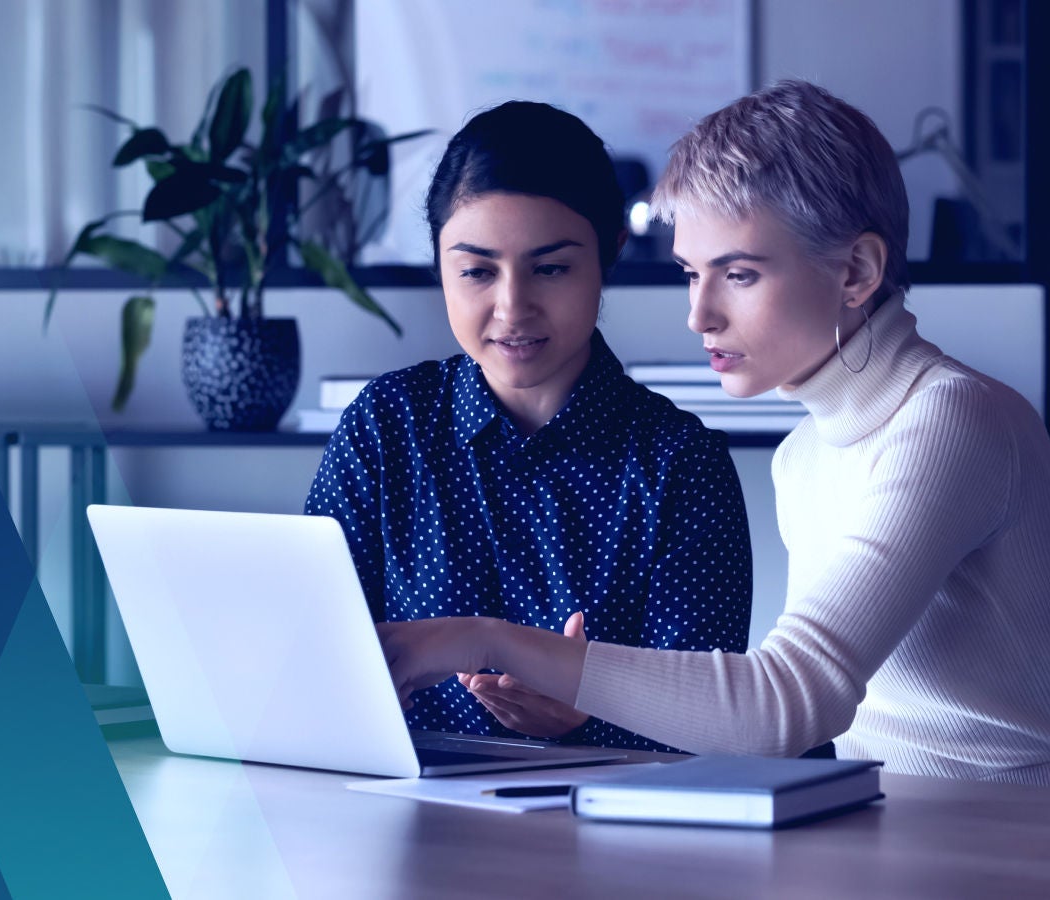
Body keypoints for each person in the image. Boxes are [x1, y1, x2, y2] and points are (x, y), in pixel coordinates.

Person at [376, 81, 1050, 791]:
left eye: (739, 274)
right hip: (902, 834)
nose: (700, 314)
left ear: (856, 272)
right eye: (691, 273)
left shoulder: (954, 420)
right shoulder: (805, 457)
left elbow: (785, 706)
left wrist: (485, 640)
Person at [305, 101, 754, 752]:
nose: (512, 307)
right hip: (402, 821)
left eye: (550, 268)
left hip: (613, 836)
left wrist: (587, 720)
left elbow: (712, 725)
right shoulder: (385, 429)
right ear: (439, 264)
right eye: (477, 271)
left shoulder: (680, 466)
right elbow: (312, 656)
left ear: (610, 256)